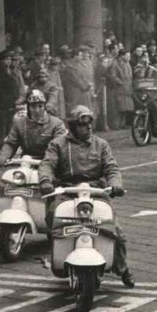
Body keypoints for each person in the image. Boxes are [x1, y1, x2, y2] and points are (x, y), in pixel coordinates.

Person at [38, 105, 134, 287]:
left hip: (96, 191)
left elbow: (111, 167)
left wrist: (115, 184)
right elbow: (47, 164)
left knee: (117, 232)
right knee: (53, 217)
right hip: (67, 191)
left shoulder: (101, 144)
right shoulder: (58, 144)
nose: (88, 127)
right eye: (83, 124)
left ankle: (122, 268)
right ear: (74, 126)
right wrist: (45, 181)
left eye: (90, 123)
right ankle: (59, 258)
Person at [0, 89, 67, 165]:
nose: (37, 110)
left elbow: (58, 145)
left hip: (50, 162)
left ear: (44, 106)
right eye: (33, 106)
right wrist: (4, 156)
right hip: (26, 161)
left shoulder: (56, 123)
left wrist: (50, 159)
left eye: (40, 106)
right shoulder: (20, 123)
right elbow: (11, 143)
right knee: (10, 176)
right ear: (28, 107)